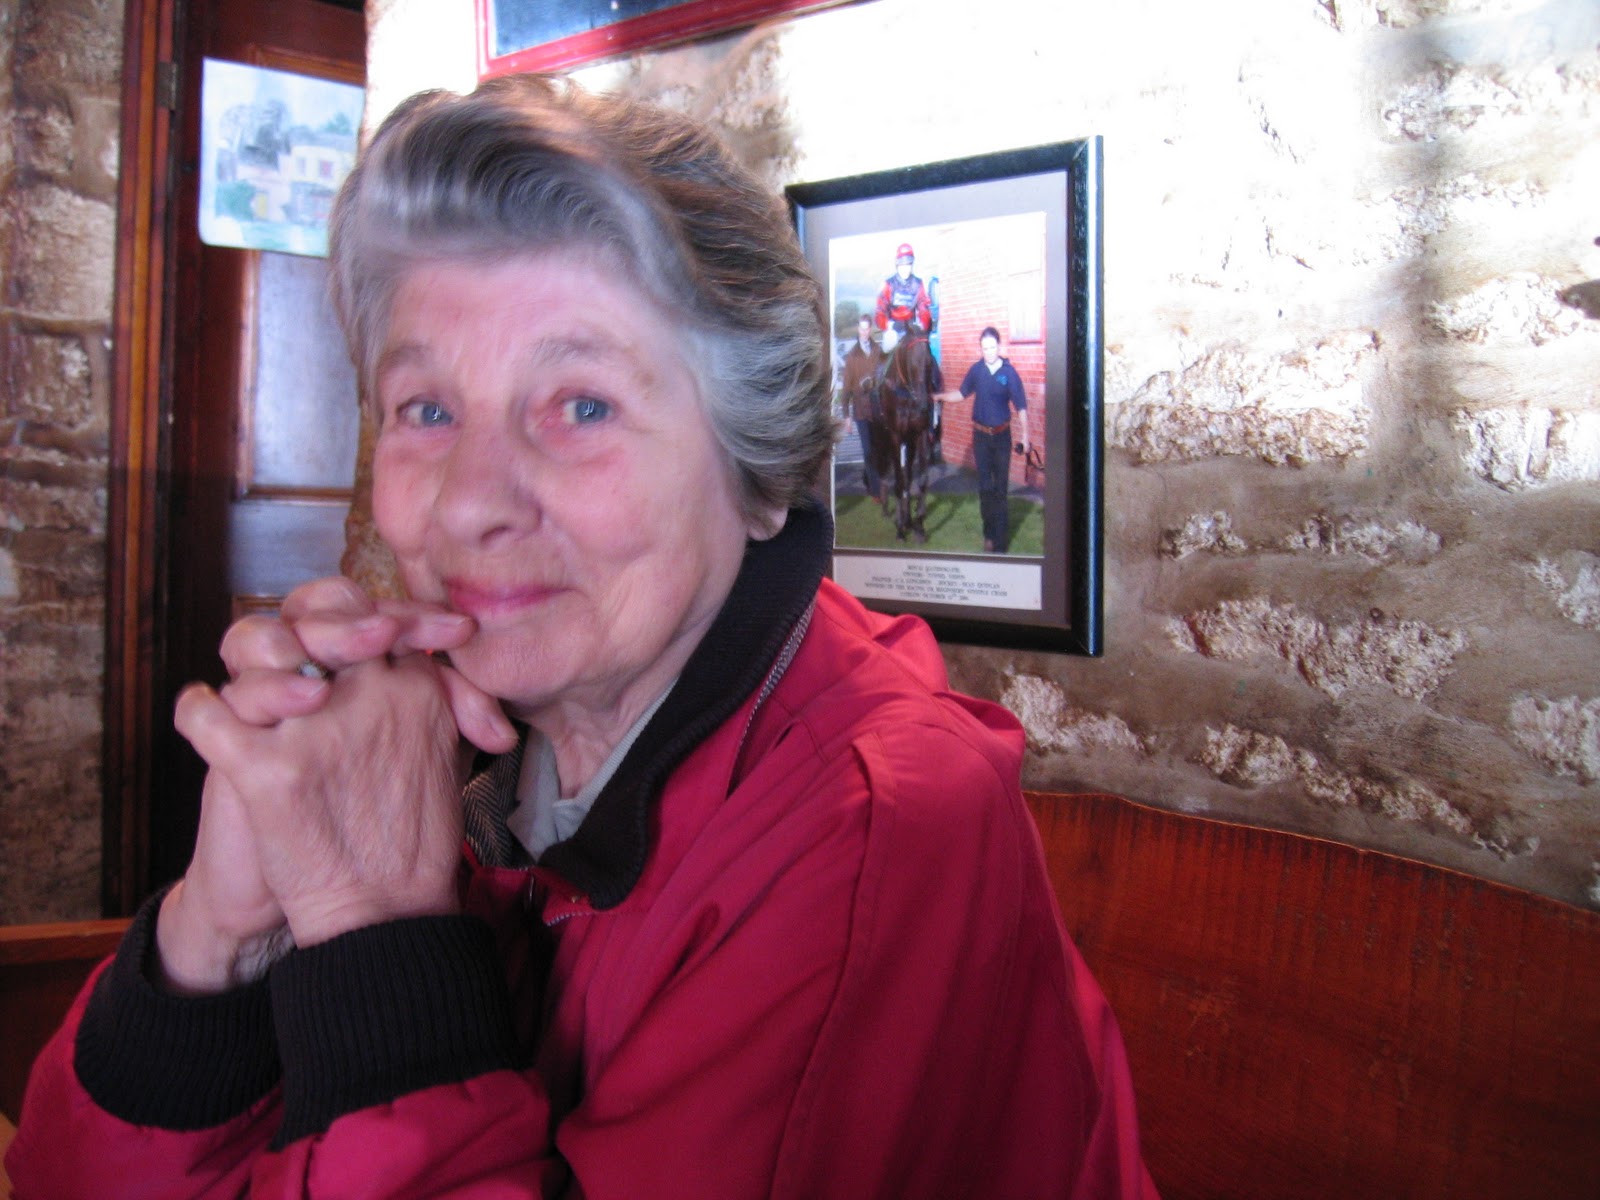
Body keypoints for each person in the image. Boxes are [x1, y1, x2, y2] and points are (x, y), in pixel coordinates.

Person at [7, 75, 1155, 1199]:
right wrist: (222, 932)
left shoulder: (875, 825)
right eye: (427, 409)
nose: (470, 501)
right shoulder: (460, 749)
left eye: (582, 405)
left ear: (759, 476)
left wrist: (372, 934)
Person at [958, 325, 1032, 553]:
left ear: (999, 347)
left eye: (992, 347)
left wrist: (1026, 436)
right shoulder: (976, 370)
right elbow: (961, 393)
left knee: (1000, 489)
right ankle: (989, 535)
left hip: (1001, 438)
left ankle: (1000, 541)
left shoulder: (1009, 373)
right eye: (984, 348)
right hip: (981, 437)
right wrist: (938, 397)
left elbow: (1021, 407)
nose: (988, 352)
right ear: (980, 349)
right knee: (985, 488)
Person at [839, 313, 883, 498]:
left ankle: (869, 478)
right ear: (858, 329)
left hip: (878, 410)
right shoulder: (852, 356)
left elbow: (885, 376)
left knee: (878, 449)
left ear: (870, 329)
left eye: (867, 329)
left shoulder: (878, 350)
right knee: (868, 450)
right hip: (861, 411)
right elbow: (846, 389)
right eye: (862, 329)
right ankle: (876, 492)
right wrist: (846, 416)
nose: (864, 332)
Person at [873, 240, 931, 352]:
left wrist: (922, 325)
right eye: (902, 265)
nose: (905, 268)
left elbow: (924, 308)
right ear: (897, 265)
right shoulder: (888, 284)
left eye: (908, 264)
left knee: (926, 352)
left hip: (912, 327)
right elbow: (880, 311)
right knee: (887, 349)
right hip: (893, 328)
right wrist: (888, 325)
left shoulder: (919, 284)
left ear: (912, 265)